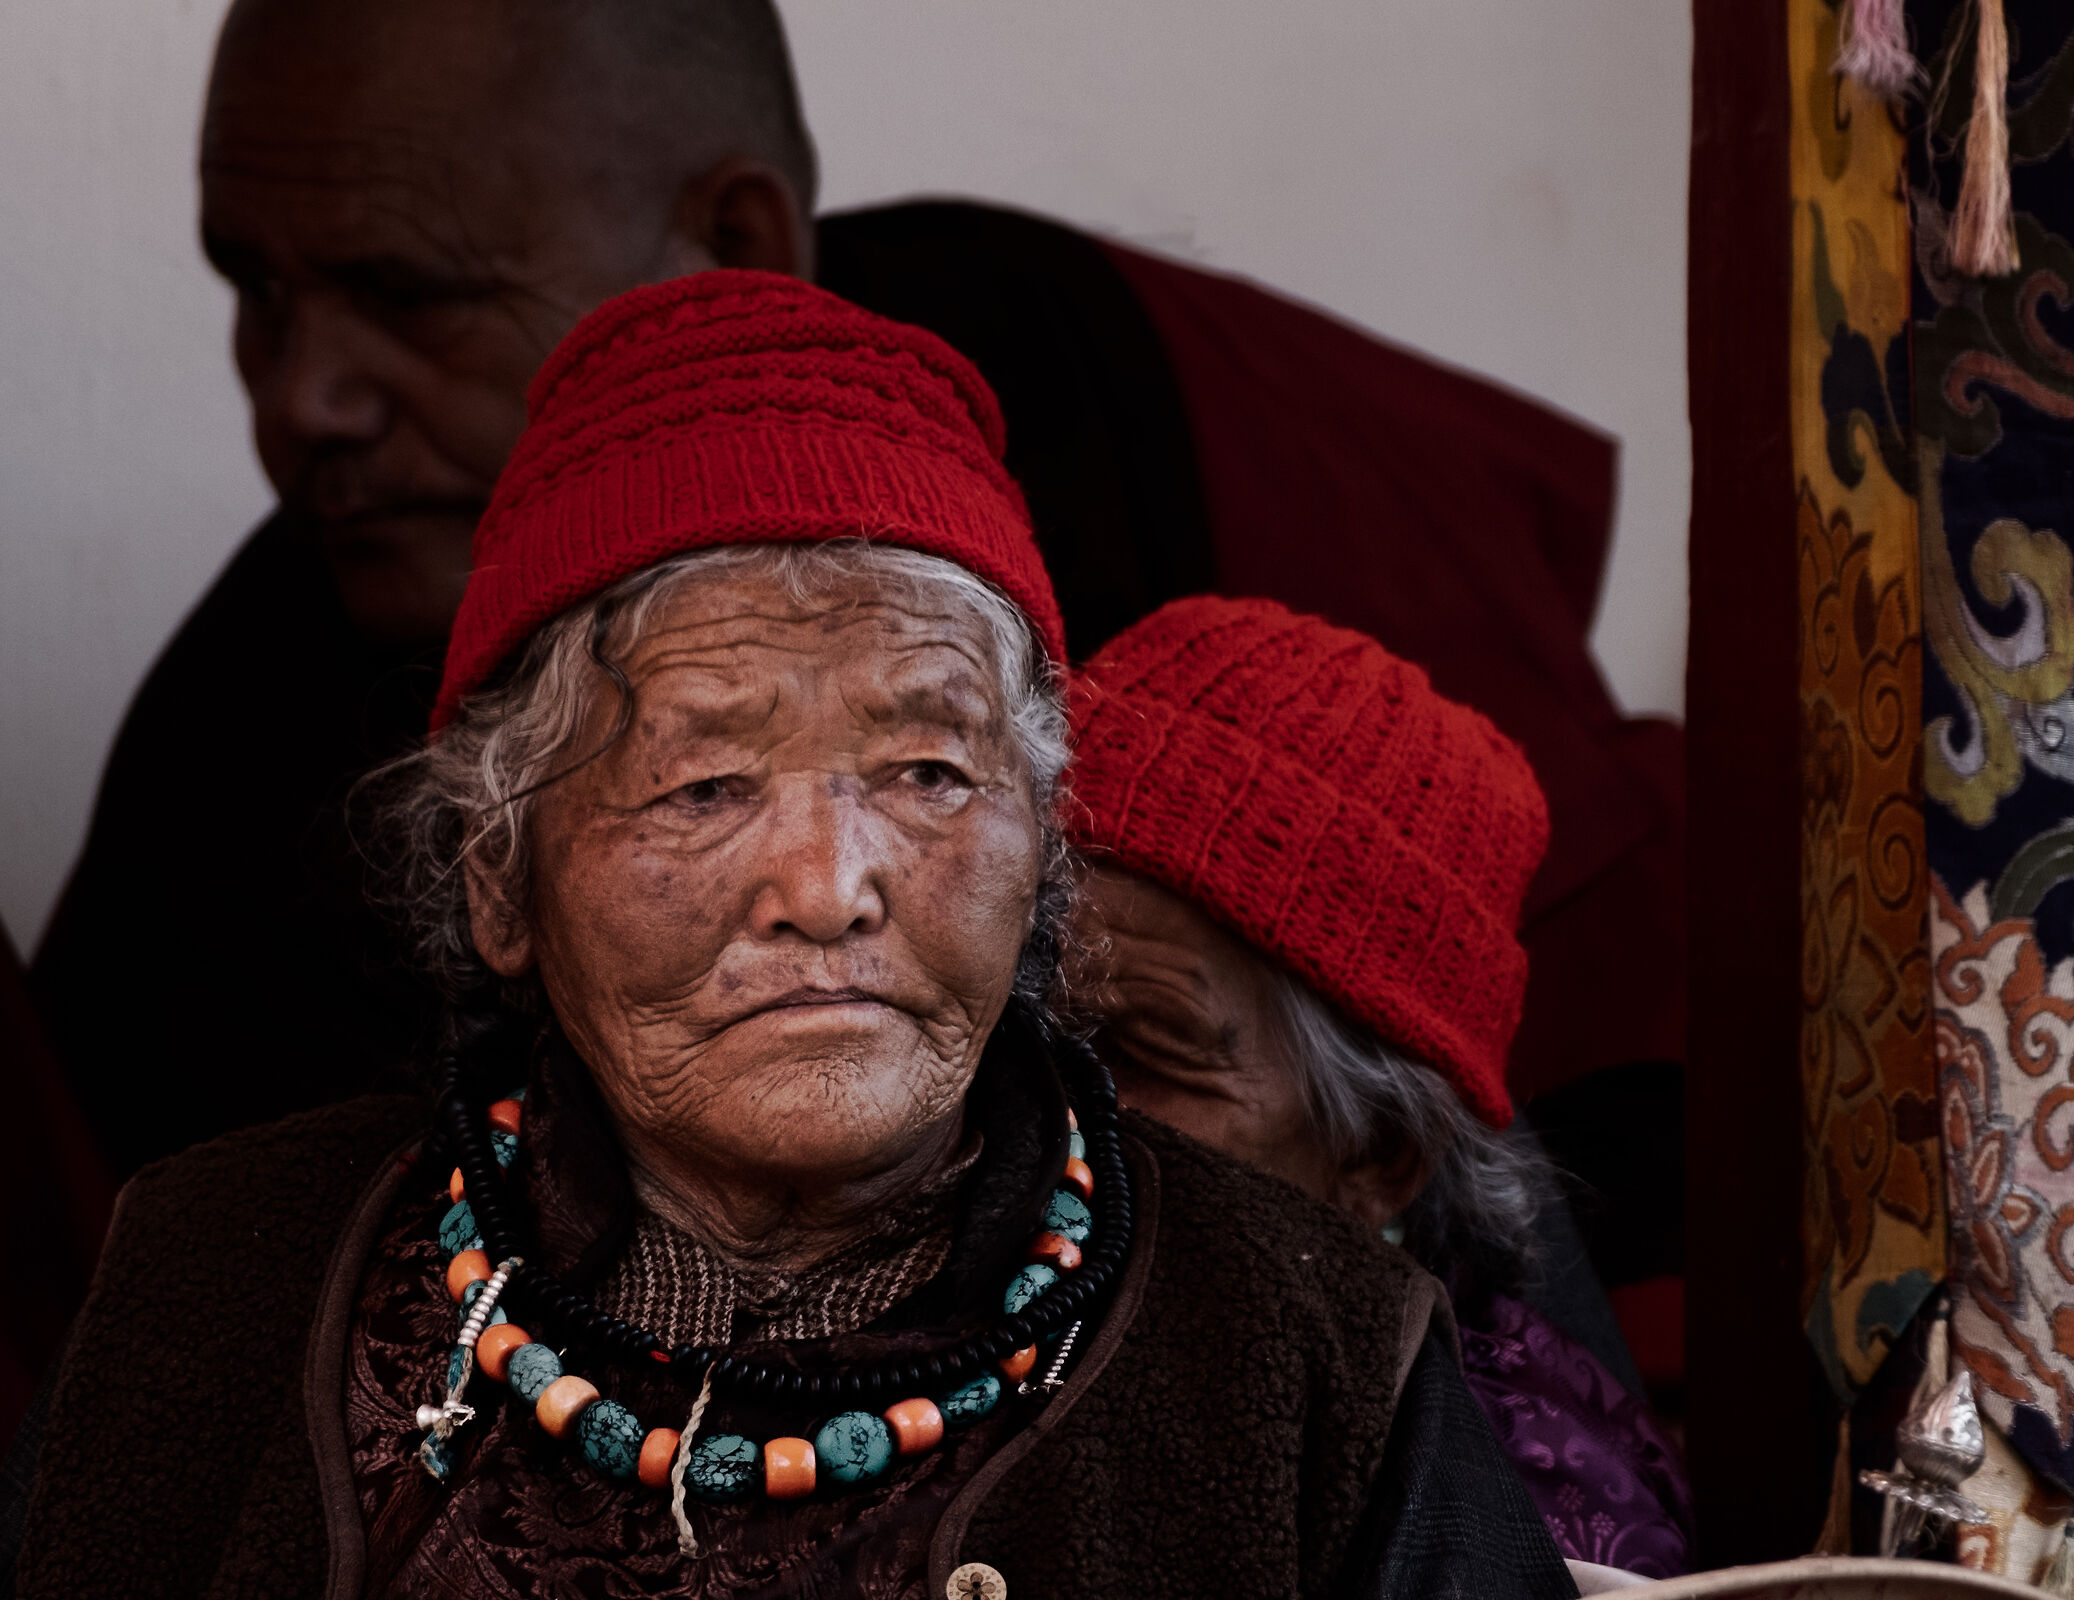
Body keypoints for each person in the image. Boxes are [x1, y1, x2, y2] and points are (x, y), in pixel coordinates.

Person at [4, 275, 1577, 1600]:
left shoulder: (1310, 1359)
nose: (830, 884)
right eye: (703, 780)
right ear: (500, 875)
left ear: (1041, 843)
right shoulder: (217, 1280)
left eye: (929, 772)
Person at [29, 0, 1680, 1190]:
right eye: (692, 785)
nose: (302, 400)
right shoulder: (245, 731)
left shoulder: (1115, 448)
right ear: (483, 877)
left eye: (408, 291)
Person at [1063, 595, 1693, 1580]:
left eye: (1143, 1050)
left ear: (1378, 1157)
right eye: (1019, 1023)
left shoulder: (1516, 1518)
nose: (1052, 1103)